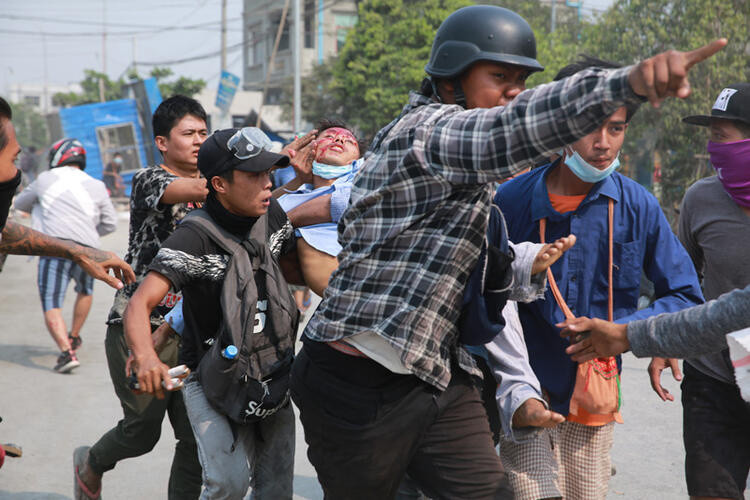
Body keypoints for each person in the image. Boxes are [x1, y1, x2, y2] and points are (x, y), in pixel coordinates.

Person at [289, 3, 726, 498]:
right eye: (499, 76)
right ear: (451, 79)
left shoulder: (510, 190)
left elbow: (482, 269)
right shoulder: (430, 133)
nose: (512, 91)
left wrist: (526, 265)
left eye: (520, 79)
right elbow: (511, 130)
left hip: (437, 373)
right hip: (356, 377)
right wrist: (625, 83)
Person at [492, 56, 704, 499]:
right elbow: (481, 290)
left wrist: (631, 333)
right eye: (591, 125)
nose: (603, 143)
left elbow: (685, 295)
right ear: (559, 126)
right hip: (523, 389)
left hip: (594, 396)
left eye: (616, 128)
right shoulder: (510, 200)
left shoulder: (637, 205)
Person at [566, 83, 750, 500]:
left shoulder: (636, 204)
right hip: (713, 378)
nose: (714, 147)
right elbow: (684, 285)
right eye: (712, 136)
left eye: (723, 137)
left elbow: (738, 308)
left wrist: (638, 335)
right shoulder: (701, 200)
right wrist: (668, 342)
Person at [125, 128, 297, 498]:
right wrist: (144, 356)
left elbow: (294, 271)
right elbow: (140, 303)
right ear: (219, 184)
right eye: (255, 175)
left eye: (269, 174)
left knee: (276, 490)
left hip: (272, 373)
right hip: (211, 378)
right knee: (227, 484)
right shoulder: (194, 236)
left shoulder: (273, 216)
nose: (267, 184)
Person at [73, 95, 209, 500]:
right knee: (142, 432)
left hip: (191, 330)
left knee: (194, 437)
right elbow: (195, 188)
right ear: (163, 142)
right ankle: (91, 463)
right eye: (189, 134)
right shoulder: (150, 179)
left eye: (204, 133)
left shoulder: (218, 188)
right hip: (139, 327)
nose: (199, 141)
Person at [0, 96, 133, 289]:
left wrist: (78, 252)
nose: (16, 172)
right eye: (13, 159)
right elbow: (110, 223)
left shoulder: (45, 178)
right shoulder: (93, 183)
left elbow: (5, 230)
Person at [14, 138, 118, 372]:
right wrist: (88, 236)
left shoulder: (44, 179)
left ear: (56, 156)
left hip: (54, 248)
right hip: (88, 251)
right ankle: (73, 336)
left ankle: (66, 352)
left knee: (52, 301)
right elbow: (110, 224)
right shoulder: (97, 185)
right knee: (85, 290)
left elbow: (21, 203)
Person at [274, 119, 362, 296]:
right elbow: (256, 215)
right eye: (329, 136)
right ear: (310, 150)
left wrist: (291, 220)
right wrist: (279, 164)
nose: (339, 140)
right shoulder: (295, 196)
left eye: (350, 141)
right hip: (341, 306)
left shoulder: (365, 177)